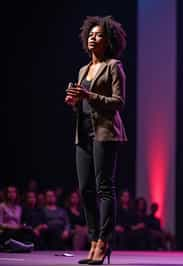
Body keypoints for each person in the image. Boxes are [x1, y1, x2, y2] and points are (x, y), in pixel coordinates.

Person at [65, 16, 127, 264]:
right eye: (90, 33)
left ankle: (104, 241)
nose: (93, 37)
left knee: (104, 187)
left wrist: (88, 95)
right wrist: (74, 102)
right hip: (83, 132)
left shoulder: (114, 66)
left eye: (99, 34)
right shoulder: (82, 70)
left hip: (105, 132)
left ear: (108, 40)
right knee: (85, 189)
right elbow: (83, 104)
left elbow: (119, 102)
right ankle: (92, 239)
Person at [0, 186, 34, 252]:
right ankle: (17, 245)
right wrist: (14, 227)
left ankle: (18, 246)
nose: (12, 194)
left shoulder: (19, 207)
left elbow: (19, 223)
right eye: (9, 192)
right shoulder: (2, 206)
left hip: (17, 230)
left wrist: (23, 226)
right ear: (6, 194)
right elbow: (0, 224)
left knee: (28, 230)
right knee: (11, 233)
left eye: (14, 192)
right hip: (6, 230)